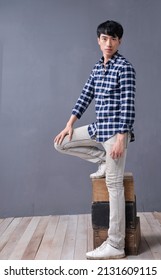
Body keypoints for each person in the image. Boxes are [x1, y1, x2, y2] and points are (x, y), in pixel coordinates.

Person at [54, 20, 136, 260]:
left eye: (113, 38)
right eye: (104, 38)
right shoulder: (97, 68)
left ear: (119, 41)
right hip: (99, 129)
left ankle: (116, 244)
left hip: (115, 134)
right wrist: (69, 125)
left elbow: (128, 106)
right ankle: (102, 160)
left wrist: (122, 138)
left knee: (114, 186)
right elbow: (85, 96)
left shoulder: (125, 68)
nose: (108, 43)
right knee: (61, 143)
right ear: (98, 40)